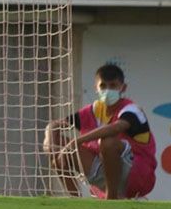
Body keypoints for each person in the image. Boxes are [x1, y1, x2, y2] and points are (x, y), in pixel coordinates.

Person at [44, 62, 157, 200]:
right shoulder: (93, 110)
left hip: (136, 175)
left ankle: (111, 199)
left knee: (108, 141)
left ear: (123, 88)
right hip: (106, 171)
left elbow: (115, 128)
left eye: (113, 86)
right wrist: (51, 140)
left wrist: (75, 142)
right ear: (96, 88)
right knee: (55, 141)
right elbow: (56, 125)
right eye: (103, 86)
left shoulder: (132, 110)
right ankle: (75, 199)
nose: (108, 90)